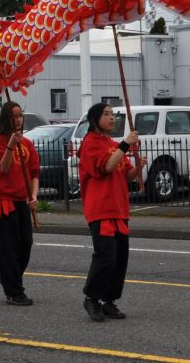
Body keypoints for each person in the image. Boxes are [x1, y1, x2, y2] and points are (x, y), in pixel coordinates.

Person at [78, 103, 146, 321]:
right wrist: (125, 144)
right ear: (94, 119)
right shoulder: (90, 144)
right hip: (100, 209)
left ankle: (109, 300)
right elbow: (106, 167)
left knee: (119, 258)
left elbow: (125, 174)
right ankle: (92, 298)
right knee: (105, 257)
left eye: (112, 115)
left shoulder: (112, 144)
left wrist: (138, 169)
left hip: (118, 209)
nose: (112, 118)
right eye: (106, 115)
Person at [0, 101, 40, 306]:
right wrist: (10, 144)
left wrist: (33, 195)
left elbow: (34, 172)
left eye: (20, 116)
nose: (18, 119)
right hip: (2, 200)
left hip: (22, 200)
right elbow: (4, 168)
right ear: (6, 119)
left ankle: (9, 277)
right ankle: (14, 291)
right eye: (14, 116)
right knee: (7, 248)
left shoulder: (26, 143)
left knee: (25, 243)